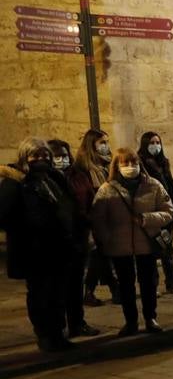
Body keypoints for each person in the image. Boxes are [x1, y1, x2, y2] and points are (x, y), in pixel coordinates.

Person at [0, 139, 82, 352]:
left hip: (59, 248)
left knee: (58, 294)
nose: (42, 160)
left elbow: (69, 204)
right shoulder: (15, 182)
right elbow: (5, 216)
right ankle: (45, 335)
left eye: (45, 156)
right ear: (25, 157)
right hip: (34, 251)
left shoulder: (54, 178)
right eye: (36, 156)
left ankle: (58, 334)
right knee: (40, 296)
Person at [90, 148, 173, 336]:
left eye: (134, 163)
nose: (130, 167)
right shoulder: (107, 189)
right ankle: (131, 321)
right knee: (126, 285)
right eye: (125, 163)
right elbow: (98, 218)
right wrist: (107, 239)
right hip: (120, 247)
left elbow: (169, 211)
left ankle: (151, 317)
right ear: (117, 166)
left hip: (146, 244)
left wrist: (147, 218)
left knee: (149, 283)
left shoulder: (153, 185)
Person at [48, 138, 98, 339]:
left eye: (64, 155)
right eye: (57, 156)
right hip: (56, 241)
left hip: (79, 236)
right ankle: (57, 328)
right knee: (57, 287)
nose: (62, 159)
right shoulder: (46, 179)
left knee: (76, 284)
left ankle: (77, 322)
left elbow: (89, 200)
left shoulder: (78, 176)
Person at [70, 129, 120, 306]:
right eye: (102, 143)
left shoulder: (108, 164)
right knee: (100, 254)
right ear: (92, 145)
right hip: (94, 214)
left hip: (109, 213)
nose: (106, 146)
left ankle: (110, 289)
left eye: (107, 142)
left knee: (103, 254)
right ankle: (97, 290)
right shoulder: (84, 167)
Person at [138, 131, 173, 295]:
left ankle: (172, 282)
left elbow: (169, 185)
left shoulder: (163, 162)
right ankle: (152, 286)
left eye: (157, 142)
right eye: (152, 143)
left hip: (167, 210)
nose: (155, 146)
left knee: (168, 248)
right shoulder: (141, 162)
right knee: (152, 249)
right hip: (153, 211)